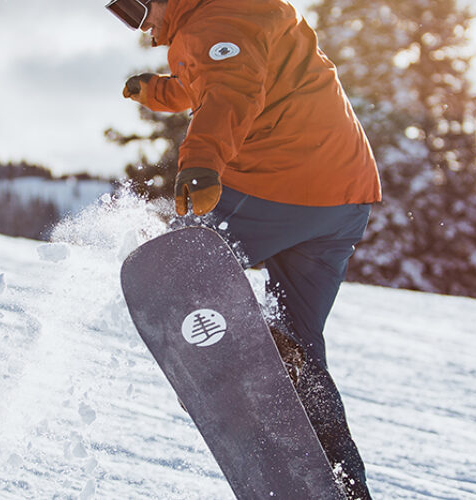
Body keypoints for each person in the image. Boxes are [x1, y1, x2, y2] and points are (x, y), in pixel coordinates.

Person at [107, 0, 381, 497]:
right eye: (122, 13)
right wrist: (161, 92)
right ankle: (339, 479)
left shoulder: (213, 22)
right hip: (343, 201)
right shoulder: (241, 12)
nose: (139, 22)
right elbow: (222, 76)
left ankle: (248, 366)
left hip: (280, 185)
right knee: (301, 342)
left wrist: (202, 162)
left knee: (180, 272)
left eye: (134, 7)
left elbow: (230, 90)